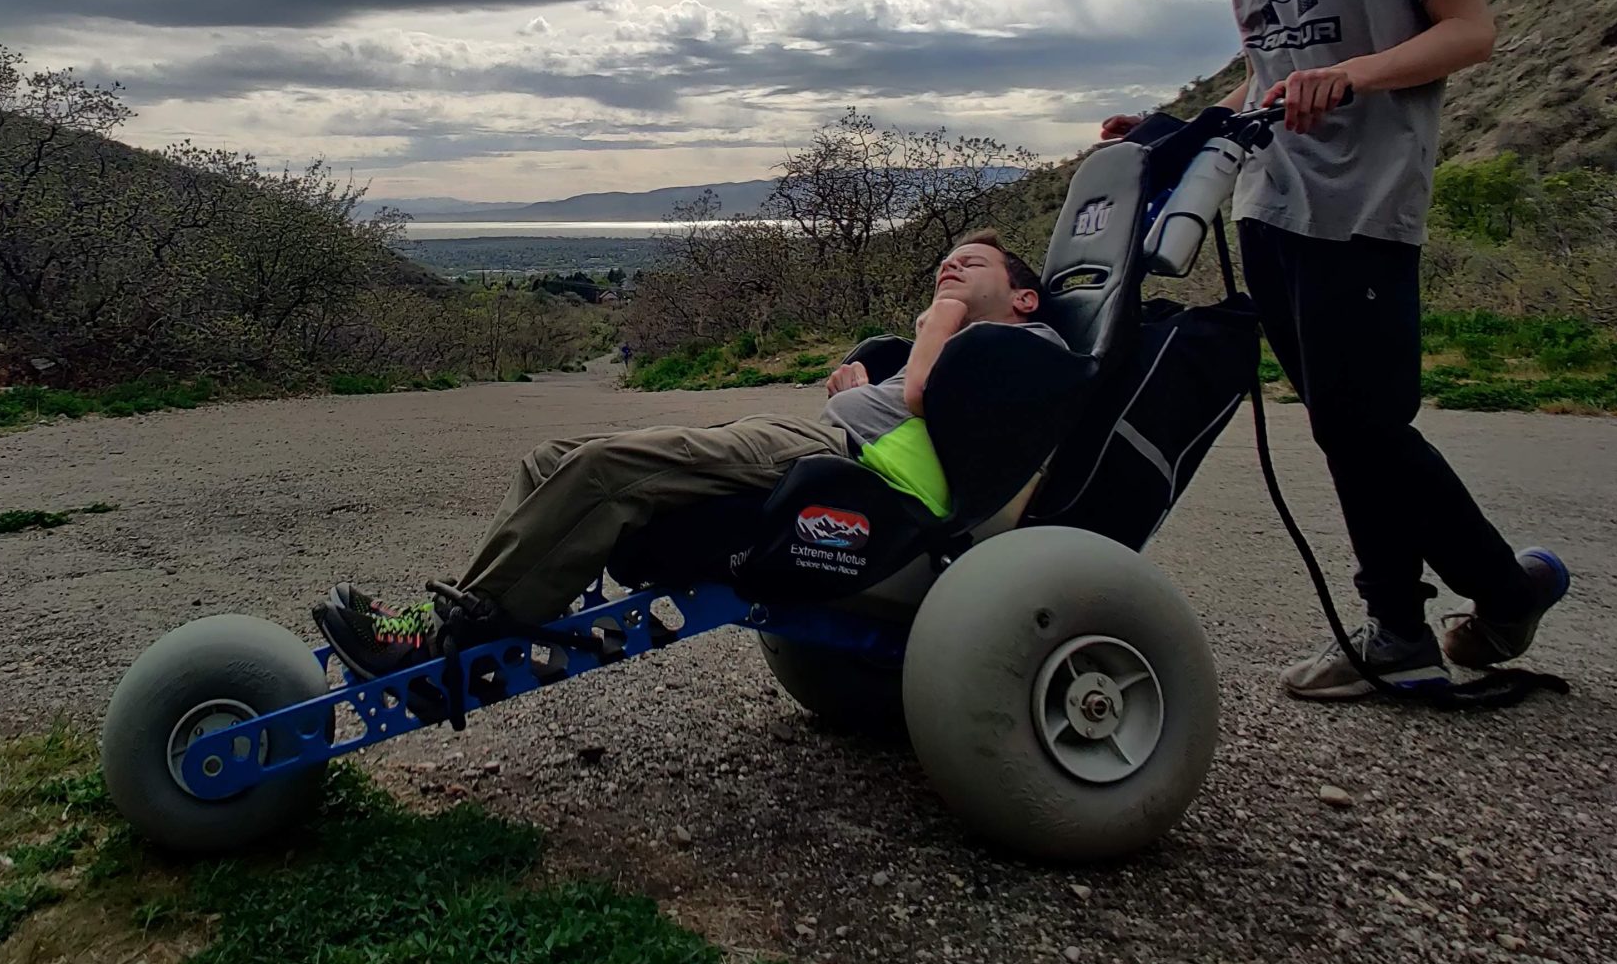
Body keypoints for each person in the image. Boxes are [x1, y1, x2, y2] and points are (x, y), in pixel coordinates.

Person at [1102, 0, 1569, 699]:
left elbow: (1467, 31)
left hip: (1366, 194)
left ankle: (1481, 593)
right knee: (1336, 423)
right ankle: (1412, 620)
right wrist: (1163, 132)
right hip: (1269, 202)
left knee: (1365, 422)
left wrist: (1352, 75)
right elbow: (1264, 72)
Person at [313, 231, 1058, 678]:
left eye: (972, 265)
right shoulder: (976, 346)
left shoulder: (1021, 346)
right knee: (552, 457)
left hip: (844, 465)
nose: (948, 272)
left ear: (1024, 297)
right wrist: (866, 381)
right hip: (828, 438)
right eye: (944, 267)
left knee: (603, 475)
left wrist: (937, 326)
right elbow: (920, 400)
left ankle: (444, 645)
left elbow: (931, 398)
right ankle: (464, 610)